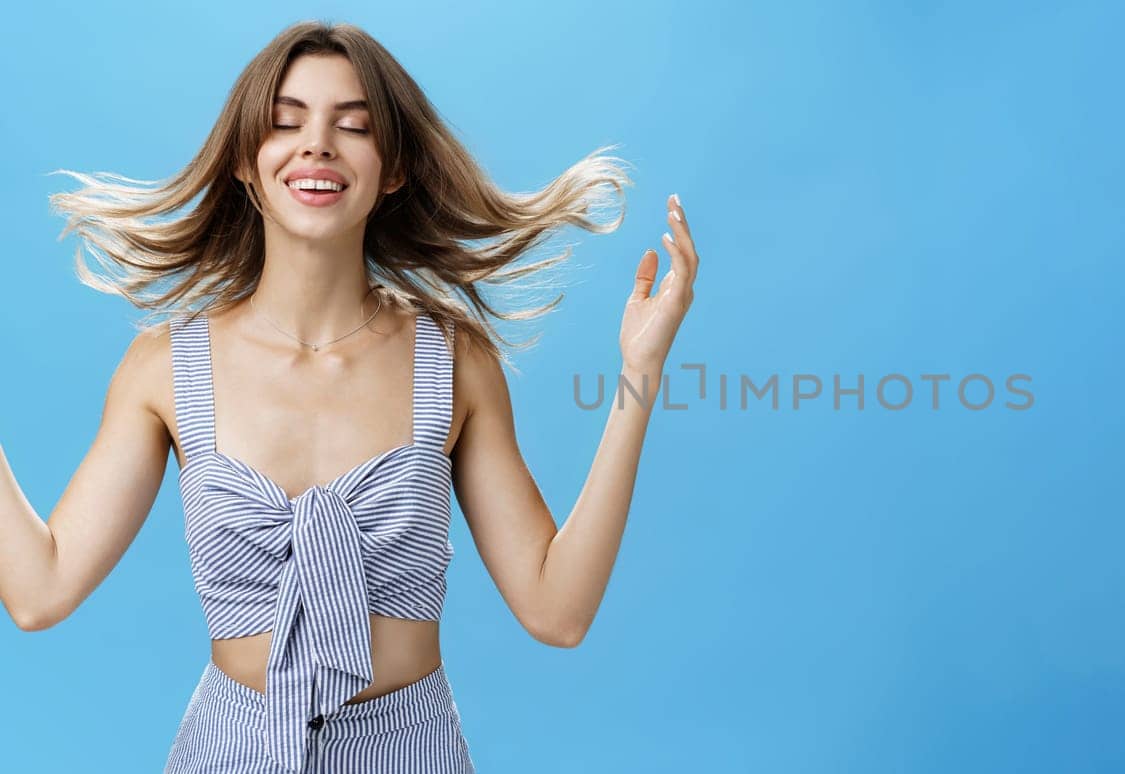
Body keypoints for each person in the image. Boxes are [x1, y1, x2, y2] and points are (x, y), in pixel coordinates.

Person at [0, 19, 697, 774]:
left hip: (410, 749)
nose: (318, 145)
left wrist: (640, 372)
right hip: (230, 750)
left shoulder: (455, 360)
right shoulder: (166, 366)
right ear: (244, 160)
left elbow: (557, 611)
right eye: (285, 122)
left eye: (354, 126)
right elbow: (40, 591)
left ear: (392, 168)